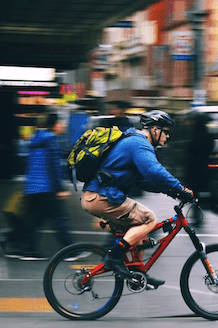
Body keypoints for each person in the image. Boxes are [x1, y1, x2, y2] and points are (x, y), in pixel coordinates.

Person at [80, 109, 193, 288]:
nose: (168, 136)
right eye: (166, 132)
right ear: (155, 130)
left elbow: (145, 181)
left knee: (138, 226)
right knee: (149, 218)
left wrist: (172, 192)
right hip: (100, 197)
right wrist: (180, 189)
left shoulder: (134, 142)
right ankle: (114, 257)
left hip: (99, 196)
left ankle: (138, 274)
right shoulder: (139, 144)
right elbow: (154, 171)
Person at [14, 113, 73, 260]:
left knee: (36, 219)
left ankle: (28, 249)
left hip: (33, 186)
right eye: (61, 123)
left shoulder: (35, 138)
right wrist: (60, 189)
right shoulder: (51, 139)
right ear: (54, 125)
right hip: (46, 187)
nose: (63, 126)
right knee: (59, 219)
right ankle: (71, 250)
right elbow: (54, 166)